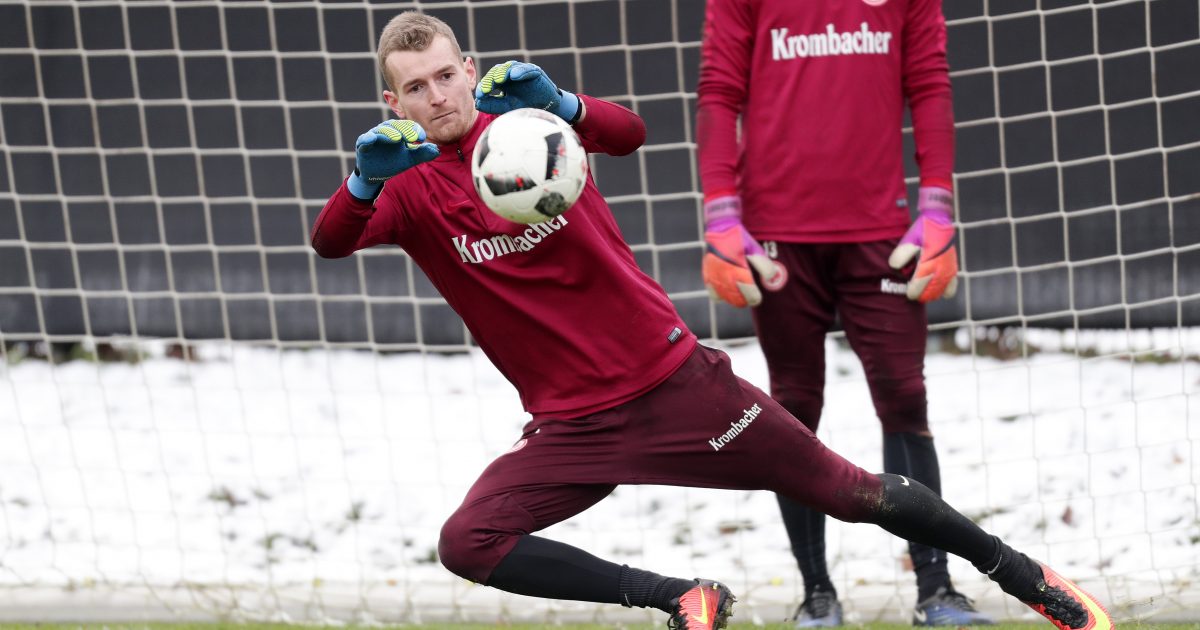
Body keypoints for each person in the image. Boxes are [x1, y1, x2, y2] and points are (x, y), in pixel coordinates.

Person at [310, 11, 1111, 630]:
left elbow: (626, 135)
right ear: (394, 101)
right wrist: (360, 182)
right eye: (416, 88)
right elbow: (330, 242)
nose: (437, 96)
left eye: (446, 75)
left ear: (469, 70)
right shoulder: (406, 188)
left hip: (675, 386)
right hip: (570, 426)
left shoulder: (529, 135)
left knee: (852, 490)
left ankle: (1027, 579)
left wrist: (563, 102)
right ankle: (681, 597)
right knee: (467, 543)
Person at [695, 0, 981, 625]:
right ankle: (816, 594)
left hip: (882, 232)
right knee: (792, 406)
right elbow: (719, 92)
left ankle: (936, 589)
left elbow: (929, 84)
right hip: (776, 239)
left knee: (905, 397)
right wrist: (720, 213)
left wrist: (937, 204)